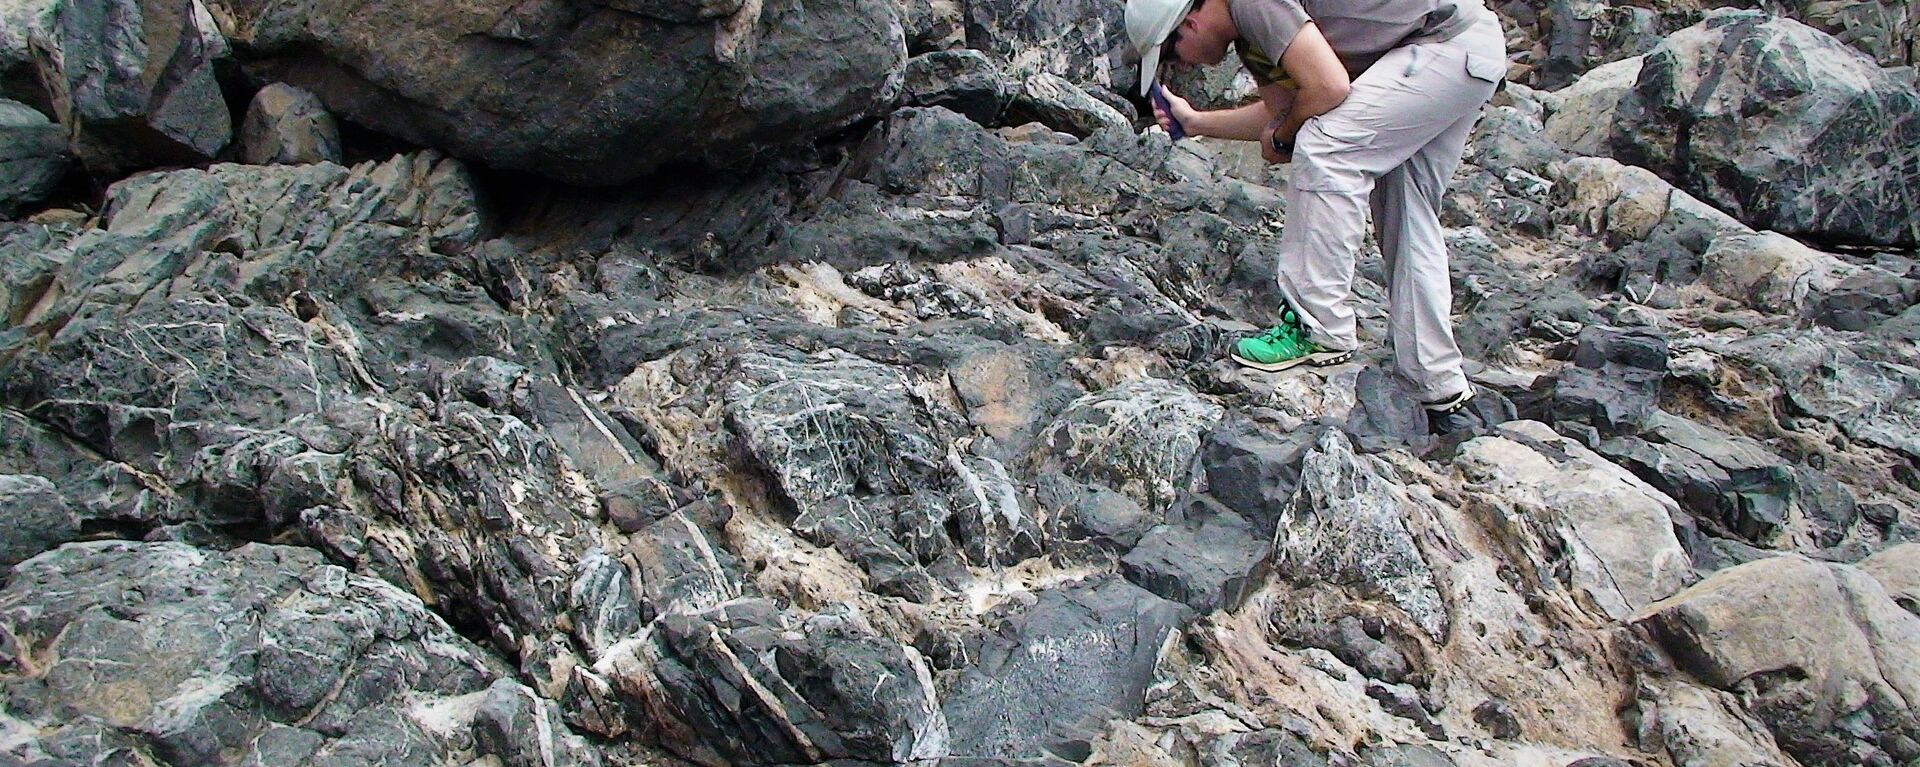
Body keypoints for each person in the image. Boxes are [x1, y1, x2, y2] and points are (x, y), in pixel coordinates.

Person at [1125, 0, 1506, 417]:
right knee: (1403, 202)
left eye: (1171, 51)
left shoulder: (1252, 3)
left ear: (1190, 23)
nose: (1179, 64)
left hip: (1445, 44)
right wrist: (1198, 123)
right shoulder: (1251, 38)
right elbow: (1290, 116)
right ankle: (1435, 382)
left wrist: (1288, 137)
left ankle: (1317, 327)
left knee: (1329, 148)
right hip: (1462, 53)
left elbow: (1327, 92)